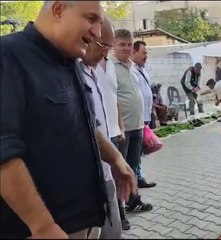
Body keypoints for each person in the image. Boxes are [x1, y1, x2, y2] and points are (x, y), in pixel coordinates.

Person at [0, 1, 136, 239]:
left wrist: (115, 158)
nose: (97, 31)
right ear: (59, 9)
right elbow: (4, 150)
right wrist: (42, 226)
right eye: (91, 19)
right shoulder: (8, 56)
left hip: (88, 220)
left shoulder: (70, 60)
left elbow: (85, 123)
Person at [79, 17, 122, 239]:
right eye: (102, 45)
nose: (105, 54)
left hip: (105, 168)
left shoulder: (96, 71)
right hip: (84, 178)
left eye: (109, 48)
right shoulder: (71, 73)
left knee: (112, 232)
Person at [111, 29, 153, 213]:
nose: (126, 48)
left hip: (137, 125)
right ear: (113, 45)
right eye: (122, 44)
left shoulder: (132, 66)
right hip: (122, 129)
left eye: (129, 45)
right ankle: (119, 211)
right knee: (120, 172)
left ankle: (133, 200)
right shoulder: (109, 66)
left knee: (133, 167)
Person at [95, 36, 130, 231]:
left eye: (107, 46)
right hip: (101, 138)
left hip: (115, 133)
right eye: (103, 44)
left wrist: (121, 127)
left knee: (120, 177)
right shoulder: (82, 65)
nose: (105, 50)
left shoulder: (110, 67)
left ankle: (120, 213)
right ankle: (117, 215)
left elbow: (114, 98)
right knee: (110, 181)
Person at [131, 40, 157, 189]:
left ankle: (138, 176)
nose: (146, 56)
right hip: (137, 118)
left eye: (146, 53)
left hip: (146, 115)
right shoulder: (131, 69)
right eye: (143, 53)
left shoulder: (142, 70)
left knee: (139, 151)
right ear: (134, 52)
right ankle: (137, 178)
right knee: (135, 152)